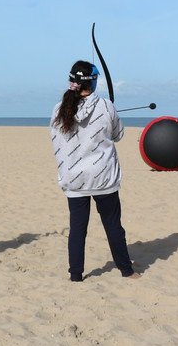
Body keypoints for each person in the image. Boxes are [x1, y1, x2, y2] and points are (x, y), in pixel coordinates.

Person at [50, 60, 140, 282]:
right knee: (113, 225)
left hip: (74, 179)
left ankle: (75, 275)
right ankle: (127, 271)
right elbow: (118, 135)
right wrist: (108, 110)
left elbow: (57, 140)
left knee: (77, 229)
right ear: (93, 81)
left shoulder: (59, 109)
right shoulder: (105, 105)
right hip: (102, 177)